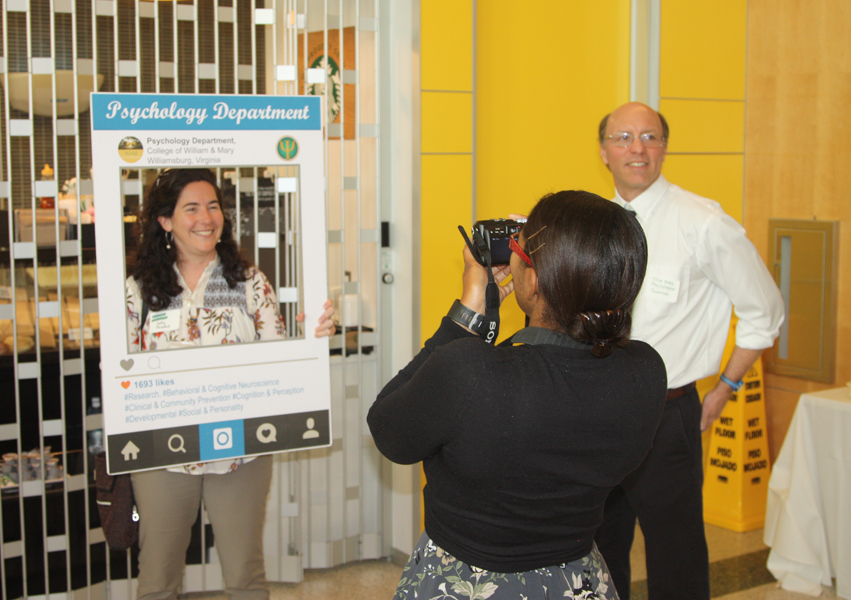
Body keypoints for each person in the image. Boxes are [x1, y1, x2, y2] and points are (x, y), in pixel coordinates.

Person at [368, 191, 668, 599]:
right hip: (578, 582)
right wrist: (561, 253)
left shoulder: (471, 373)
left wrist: (470, 308)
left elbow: (389, 429)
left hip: (465, 585)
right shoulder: (645, 373)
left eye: (517, 250)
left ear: (535, 279)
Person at [593, 102, 785, 600]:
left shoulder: (704, 222)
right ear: (603, 152)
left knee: (675, 556)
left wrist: (726, 386)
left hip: (668, 415)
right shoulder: (595, 224)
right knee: (597, 548)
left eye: (650, 138)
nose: (638, 149)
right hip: (598, 412)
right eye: (624, 138)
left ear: (664, 148)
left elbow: (765, 311)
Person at [125, 168, 335, 600]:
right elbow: (120, 373)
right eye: (191, 208)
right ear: (165, 221)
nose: (206, 217)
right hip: (164, 451)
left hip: (240, 450)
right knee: (157, 578)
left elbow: (280, 362)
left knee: (245, 575)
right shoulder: (140, 290)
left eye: (213, 206)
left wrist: (312, 341)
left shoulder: (249, 283)